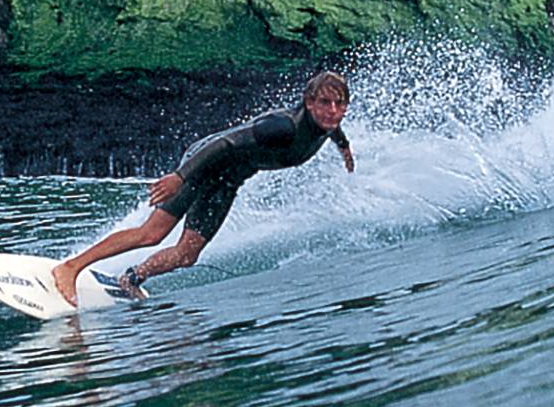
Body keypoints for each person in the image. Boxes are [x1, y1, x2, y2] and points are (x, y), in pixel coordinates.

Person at [51, 71, 355, 304]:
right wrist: (181, 176)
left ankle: (131, 279)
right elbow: (227, 143)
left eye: (339, 104)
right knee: (152, 234)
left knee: (187, 255)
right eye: (324, 103)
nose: (332, 110)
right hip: (202, 166)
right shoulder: (283, 127)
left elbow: (333, 128)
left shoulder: (326, 125)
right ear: (308, 102)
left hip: (227, 180)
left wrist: (344, 148)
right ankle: (70, 267)